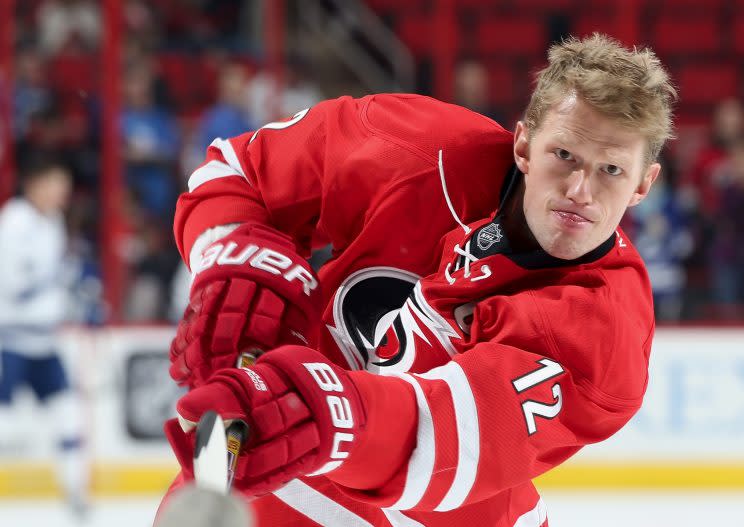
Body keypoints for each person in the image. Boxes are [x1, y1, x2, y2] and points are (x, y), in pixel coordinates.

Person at [160, 34, 676, 527]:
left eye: (611, 170)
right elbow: (239, 171)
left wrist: (314, 410)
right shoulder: (411, 147)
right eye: (564, 156)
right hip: (275, 463)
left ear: (642, 186)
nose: (580, 190)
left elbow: (432, 444)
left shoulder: (605, 332)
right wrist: (237, 267)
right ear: (523, 146)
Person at [0, 157, 88, 516]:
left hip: (45, 342)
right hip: (11, 341)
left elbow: (56, 277)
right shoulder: (13, 222)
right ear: (36, 184)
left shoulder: (52, 222)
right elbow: (13, 286)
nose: (62, 193)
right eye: (56, 184)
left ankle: (74, 492)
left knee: (69, 415)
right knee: (5, 427)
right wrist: (57, 287)